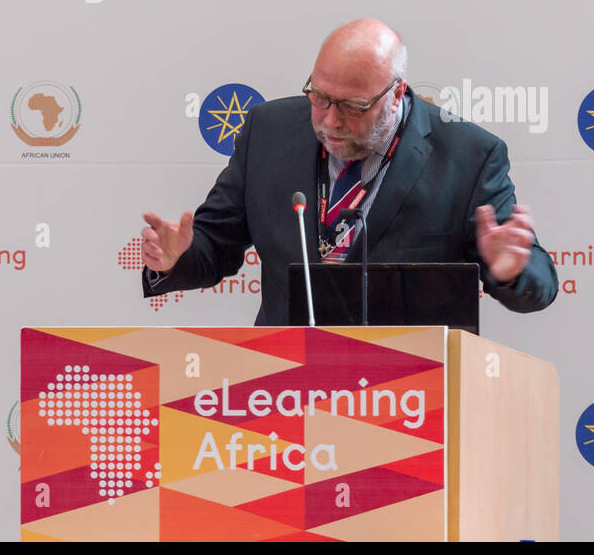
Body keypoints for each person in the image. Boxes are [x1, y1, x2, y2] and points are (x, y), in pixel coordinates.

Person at [141, 18, 557, 325]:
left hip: (414, 392)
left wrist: (512, 269)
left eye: (353, 107)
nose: (330, 121)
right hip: (282, 381)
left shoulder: (468, 156)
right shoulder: (267, 132)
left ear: (396, 93)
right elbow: (215, 244)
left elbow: (540, 284)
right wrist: (174, 258)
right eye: (319, 97)